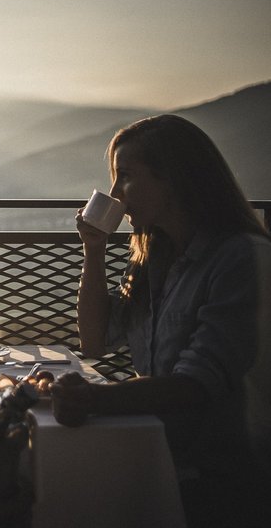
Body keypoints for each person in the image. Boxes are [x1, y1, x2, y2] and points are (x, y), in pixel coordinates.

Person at [50, 114, 271, 527]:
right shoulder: (154, 257)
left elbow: (195, 384)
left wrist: (96, 399)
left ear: (174, 178)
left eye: (126, 177)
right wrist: (94, 251)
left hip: (221, 481)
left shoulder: (241, 258)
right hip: (157, 454)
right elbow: (96, 341)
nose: (115, 195)